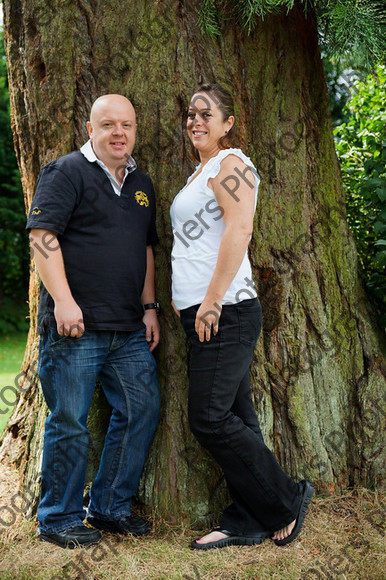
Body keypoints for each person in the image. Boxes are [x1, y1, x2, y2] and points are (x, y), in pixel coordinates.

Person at [170, 83, 313, 550]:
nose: (196, 121)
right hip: (205, 314)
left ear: (227, 124)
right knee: (236, 417)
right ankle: (246, 518)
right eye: (191, 114)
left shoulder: (231, 164)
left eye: (206, 114)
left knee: (208, 419)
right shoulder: (198, 173)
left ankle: (285, 499)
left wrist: (211, 299)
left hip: (226, 311)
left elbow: (240, 228)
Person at [27, 94, 160, 549]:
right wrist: (63, 301)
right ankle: (58, 518)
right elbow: (43, 237)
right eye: (108, 125)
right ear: (90, 129)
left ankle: (108, 507)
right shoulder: (65, 172)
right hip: (74, 328)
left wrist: (149, 308)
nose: (118, 133)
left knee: (141, 409)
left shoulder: (142, 183)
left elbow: (145, 248)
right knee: (69, 420)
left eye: (126, 125)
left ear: (135, 129)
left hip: (128, 329)